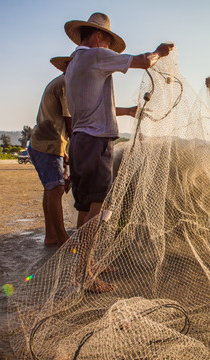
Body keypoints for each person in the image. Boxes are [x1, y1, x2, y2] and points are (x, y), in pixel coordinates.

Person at [64, 12, 174, 228]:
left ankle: (80, 259)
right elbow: (144, 61)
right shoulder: (95, 55)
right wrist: (159, 53)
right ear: (97, 36)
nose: (108, 49)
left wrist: (128, 111)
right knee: (99, 203)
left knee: (85, 205)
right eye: (107, 42)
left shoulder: (73, 64)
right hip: (96, 141)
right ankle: (86, 261)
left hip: (78, 142)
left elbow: (92, 105)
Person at [29, 56, 73, 246]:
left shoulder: (58, 82)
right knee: (56, 190)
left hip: (43, 143)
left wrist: (64, 152)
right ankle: (62, 238)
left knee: (51, 190)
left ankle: (51, 235)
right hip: (49, 144)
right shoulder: (65, 84)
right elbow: (70, 123)